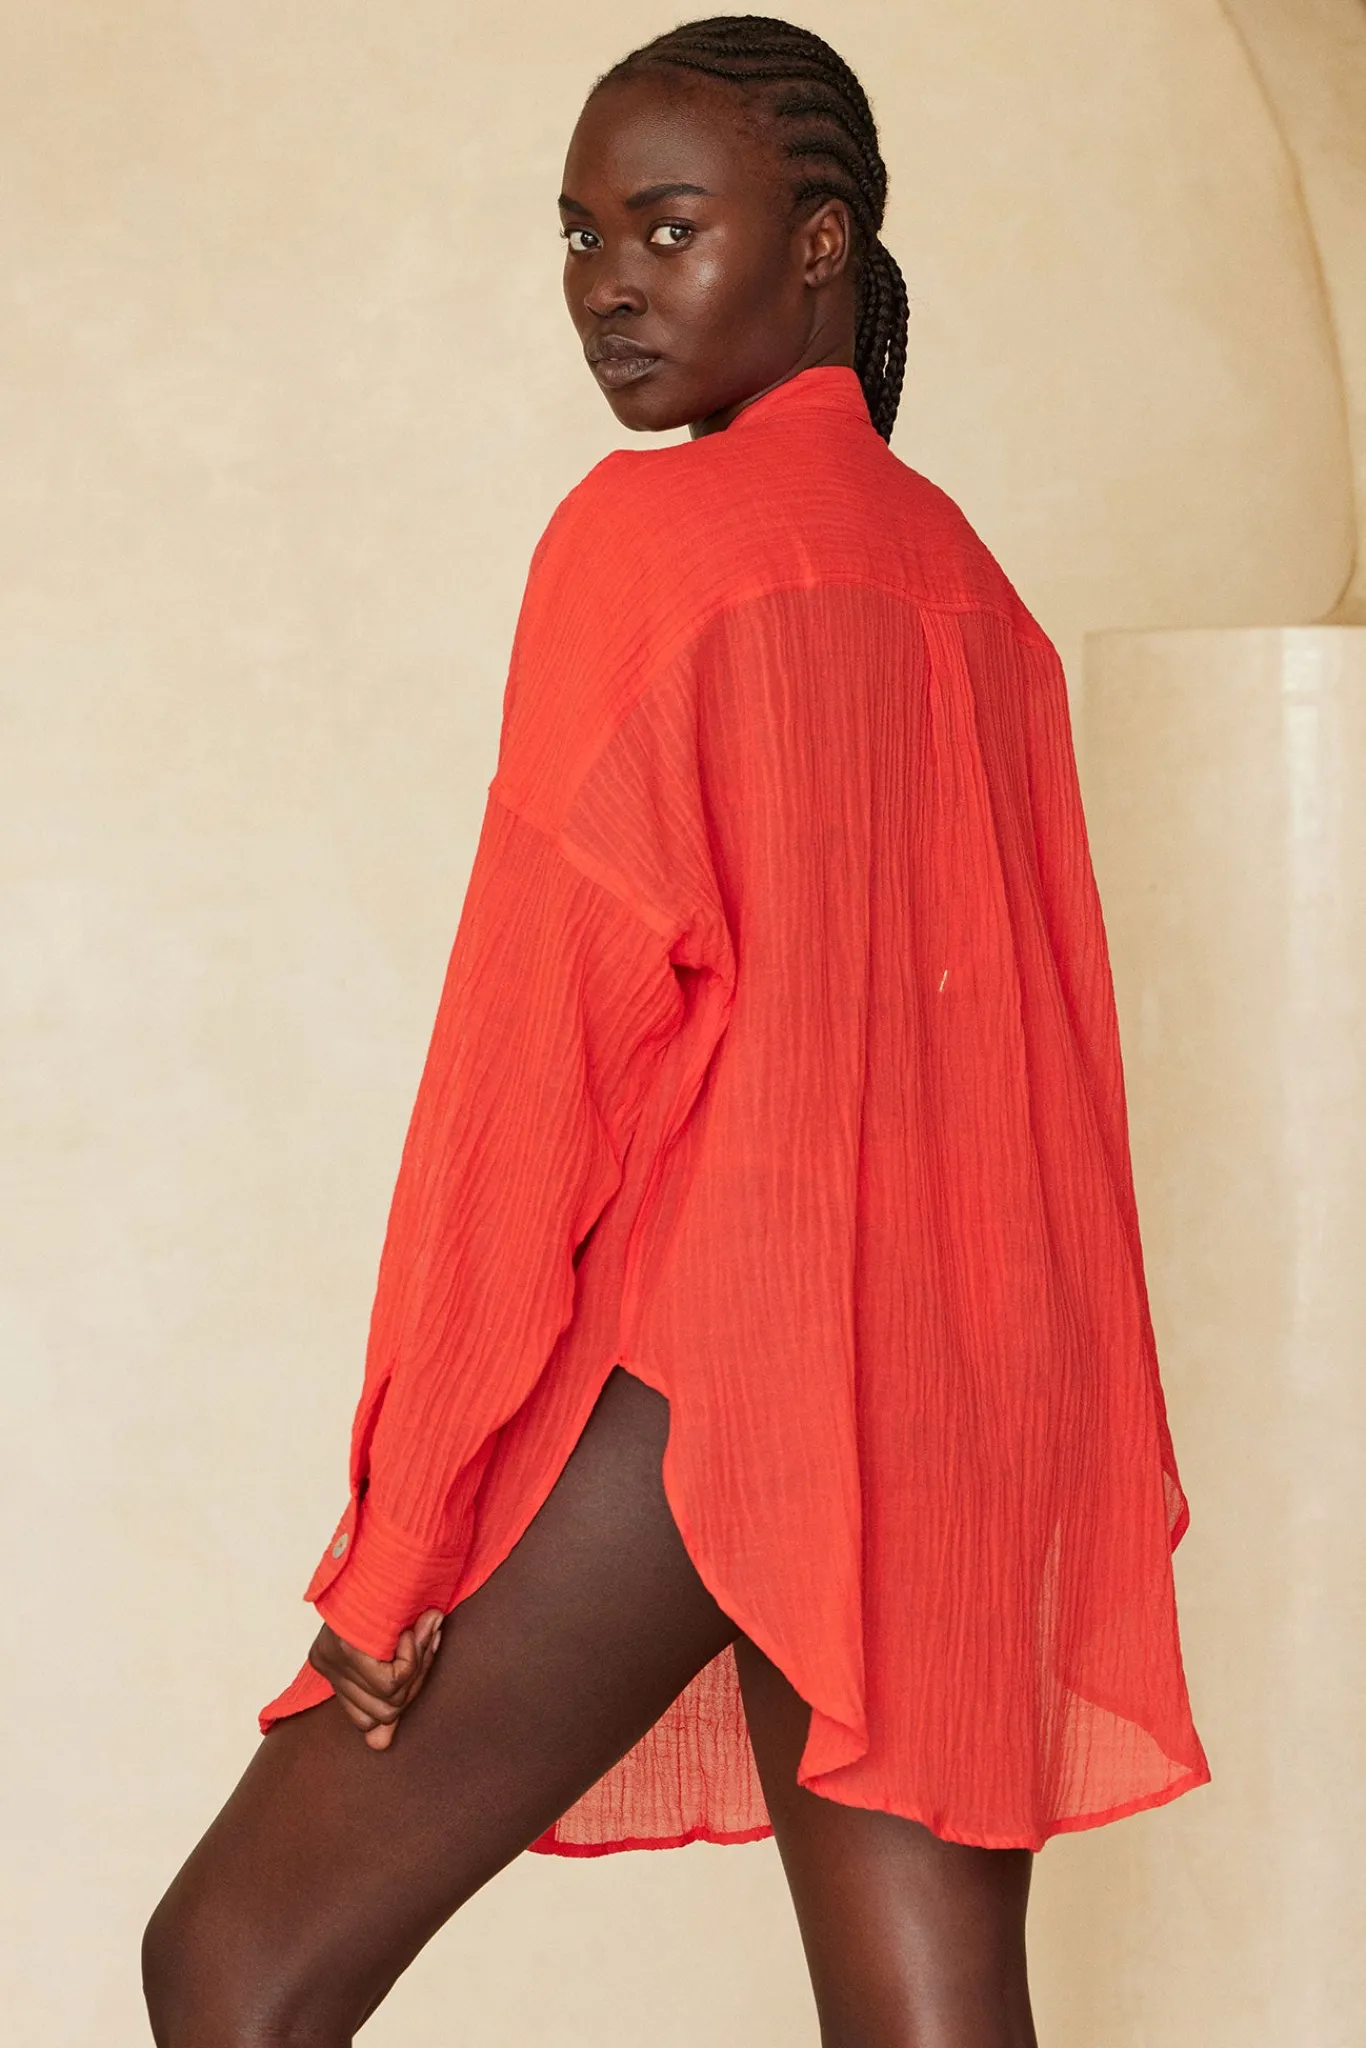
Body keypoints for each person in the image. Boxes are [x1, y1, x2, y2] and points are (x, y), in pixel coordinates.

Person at [142, 16, 1209, 2045]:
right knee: (929, 2018)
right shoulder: (970, 588)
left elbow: (534, 1069)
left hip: (725, 1369)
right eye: (577, 235)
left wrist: (401, 1532)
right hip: (972, 1378)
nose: (607, 286)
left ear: (818, 244)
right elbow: (1049, 1065)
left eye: (665, 225)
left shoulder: (645, 541)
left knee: (230, 1967)